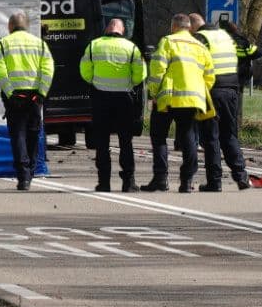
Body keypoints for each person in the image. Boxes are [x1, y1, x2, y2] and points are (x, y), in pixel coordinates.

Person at [143, 13, 216, 193]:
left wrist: (153, 92)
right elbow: (210, 76)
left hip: (168, 98)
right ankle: (187, 181)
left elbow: (157, 69)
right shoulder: (200, 46)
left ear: (173, 26)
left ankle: (161, 179)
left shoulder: (168, 42)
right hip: (192, 100)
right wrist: (199, 92)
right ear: (190, 27)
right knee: (189, 138)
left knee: (159, 137)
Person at [80, 18, 145, 192]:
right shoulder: (131, 48)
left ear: (107, 29)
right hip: (124, 99)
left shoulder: (94, 46)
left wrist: (96, 81)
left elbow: (84, 72)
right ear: (122, 31)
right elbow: (140, 74)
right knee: (126, 141)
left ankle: (104, 182)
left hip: (100, 99)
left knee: (102, 142)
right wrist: (129, 83)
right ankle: (128, 182)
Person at [0, 11, 54, 190]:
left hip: (15, 98)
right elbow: (48, 69)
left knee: (18, 135)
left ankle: (23, 175)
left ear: (9, 26)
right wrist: (41, 94)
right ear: (27, 26)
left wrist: (10, 94)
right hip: (35, 96)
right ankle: (32, 169)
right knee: (33, 133)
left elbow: (1, 72)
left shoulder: (3, 44)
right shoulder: (40, 44)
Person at [192, 13, 251, 191]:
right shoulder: (225, 36)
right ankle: (241, 176)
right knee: (229, 134)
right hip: (232, 90)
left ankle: (214, 181)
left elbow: (196, 65)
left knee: (211, 137)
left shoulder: (200, 38)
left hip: (212, 91)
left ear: (193, 27)